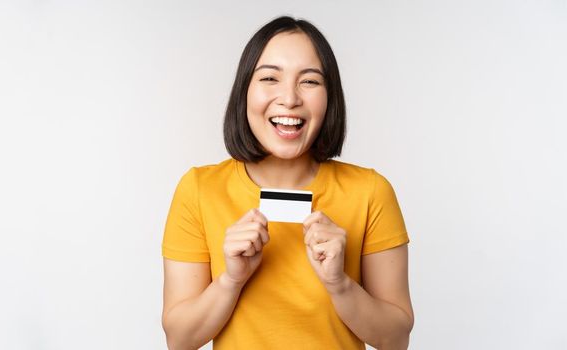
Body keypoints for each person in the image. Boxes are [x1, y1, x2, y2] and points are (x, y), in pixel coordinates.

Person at [161, 16, 413, 350]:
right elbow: (179, 339)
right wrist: (231, 280)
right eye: (269, 78)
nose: (289, 98)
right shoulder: (198, 189)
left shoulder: (370, 191)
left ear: (330, 97)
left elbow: (396, 339)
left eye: (309, 82)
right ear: (244, 91)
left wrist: (339, 284)